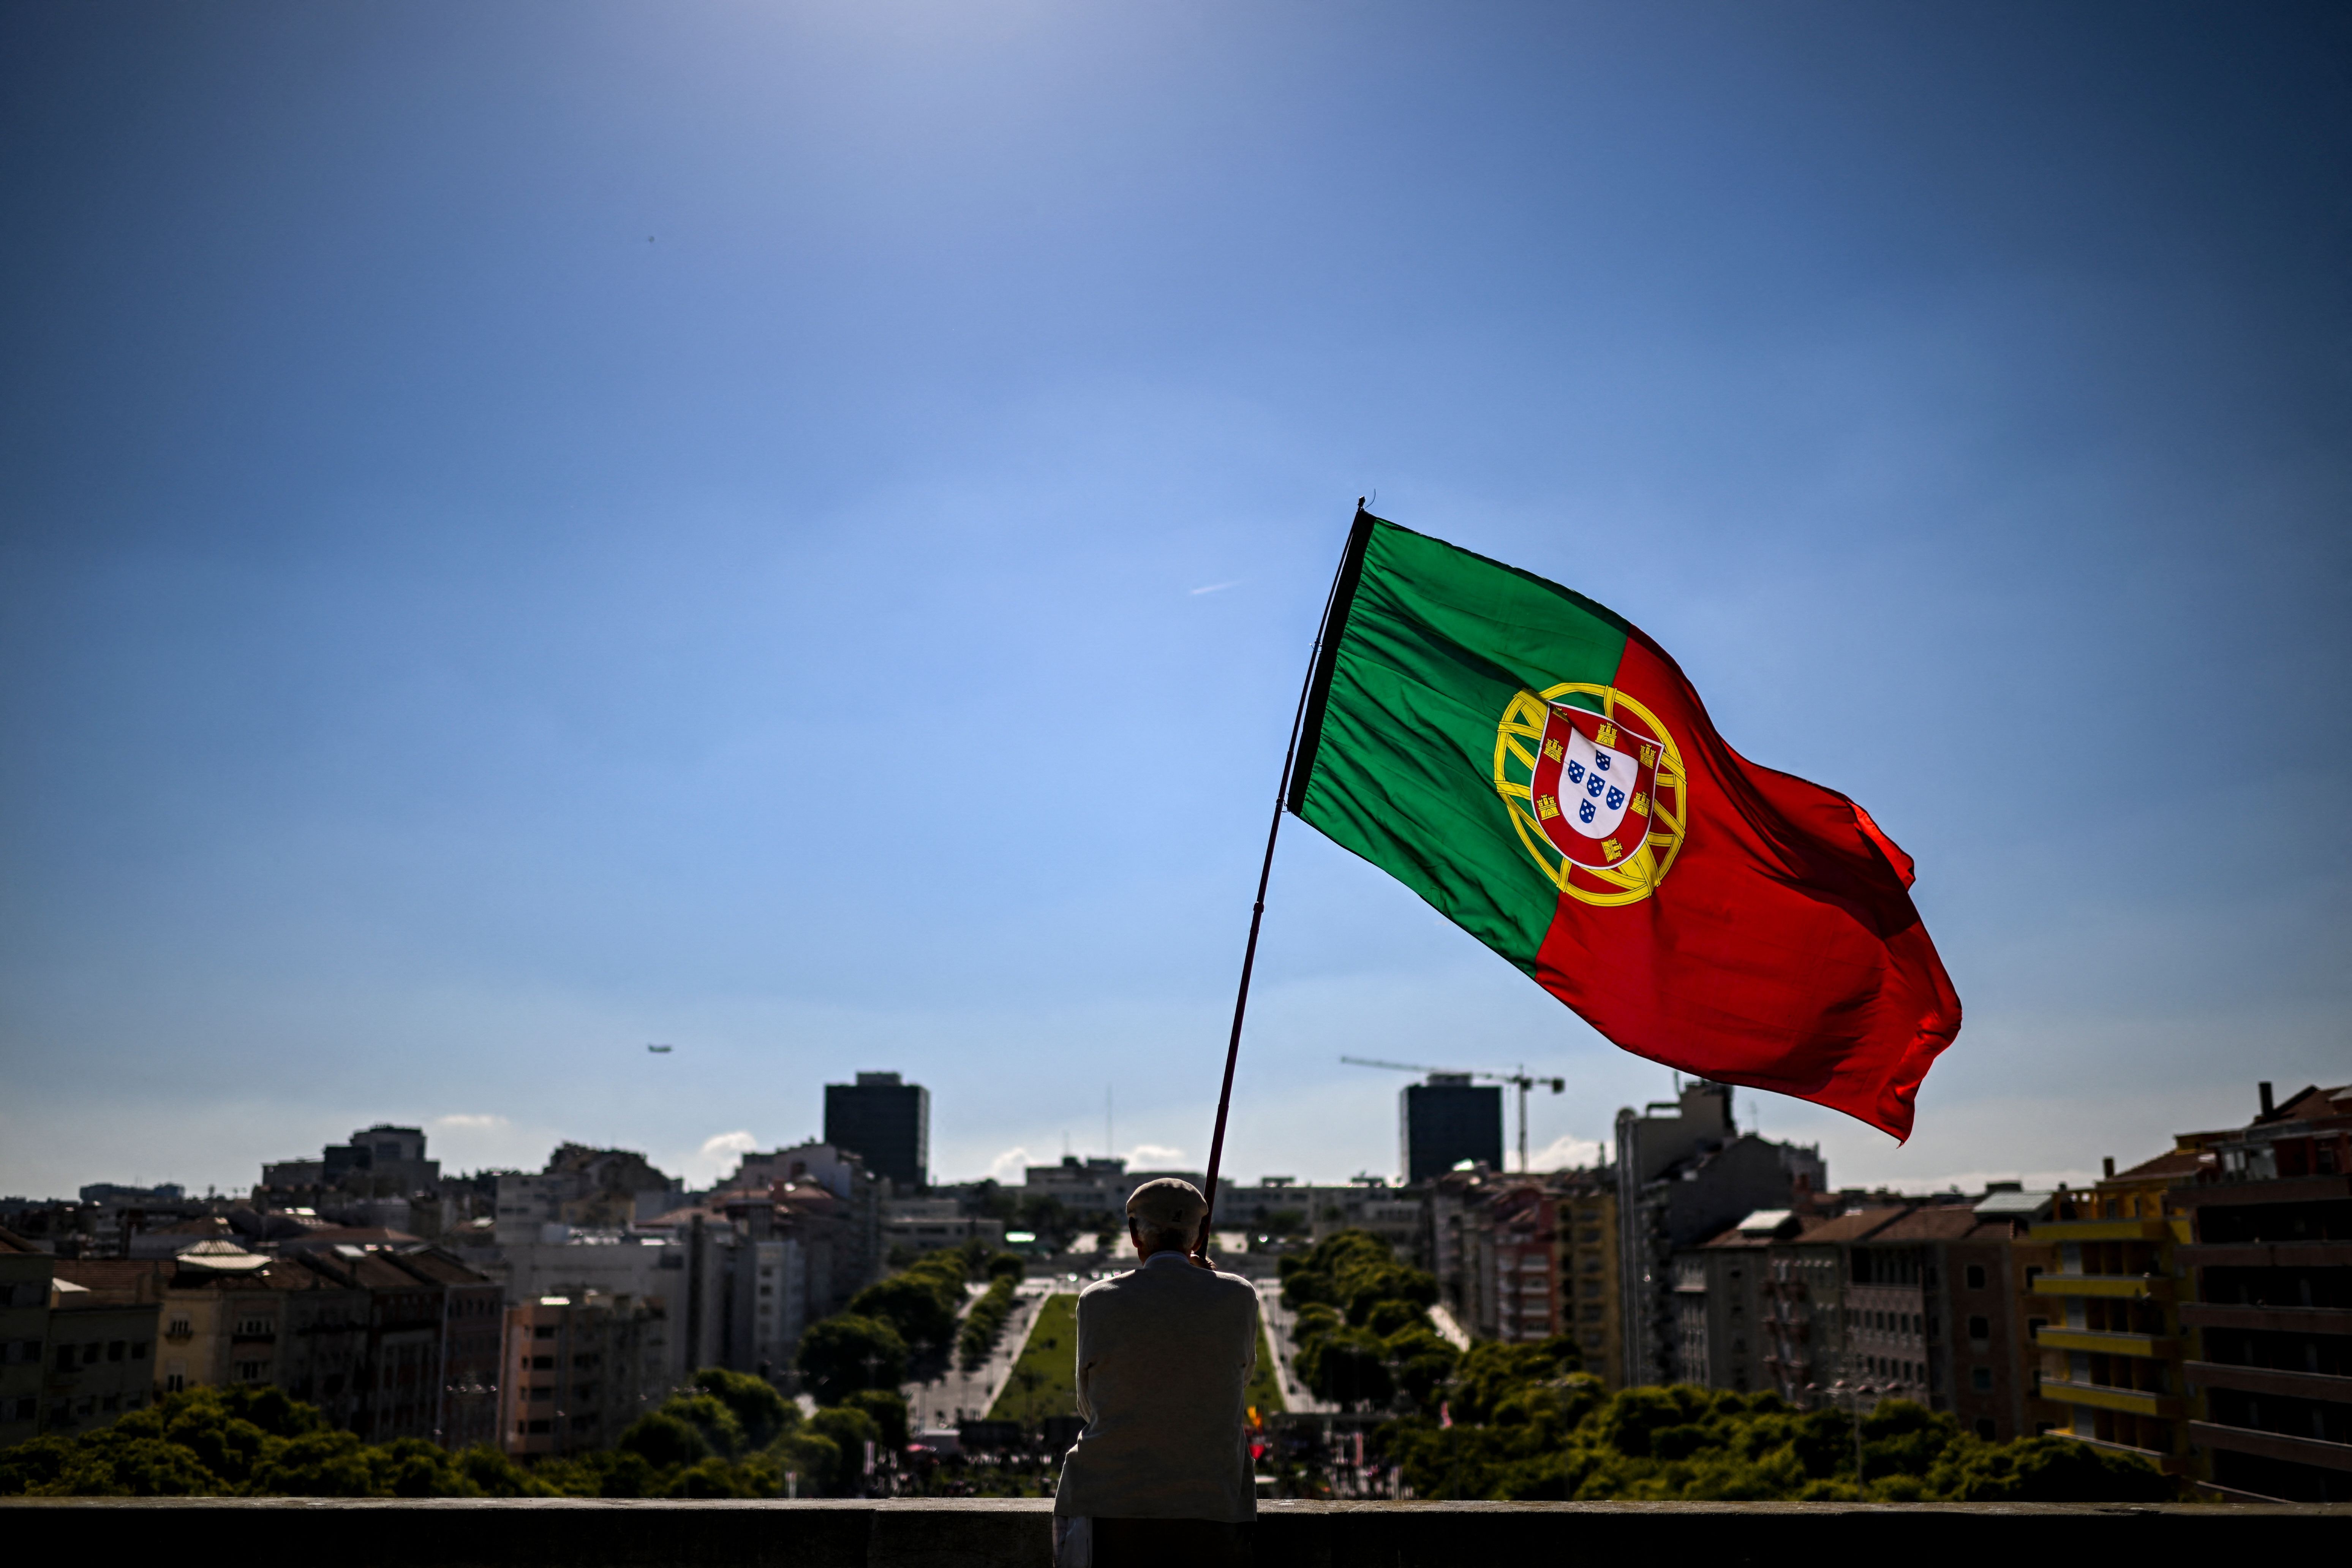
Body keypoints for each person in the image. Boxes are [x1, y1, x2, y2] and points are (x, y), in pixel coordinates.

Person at [1052, 1178, 1259, 1568]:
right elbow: (1237, 1381)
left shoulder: (1098, 1301)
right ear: (1198, 1237)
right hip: (1214, 1501)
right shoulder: (1240, 1295)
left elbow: (1089, 1404)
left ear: (1134, 1234)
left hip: (1108, 1501)